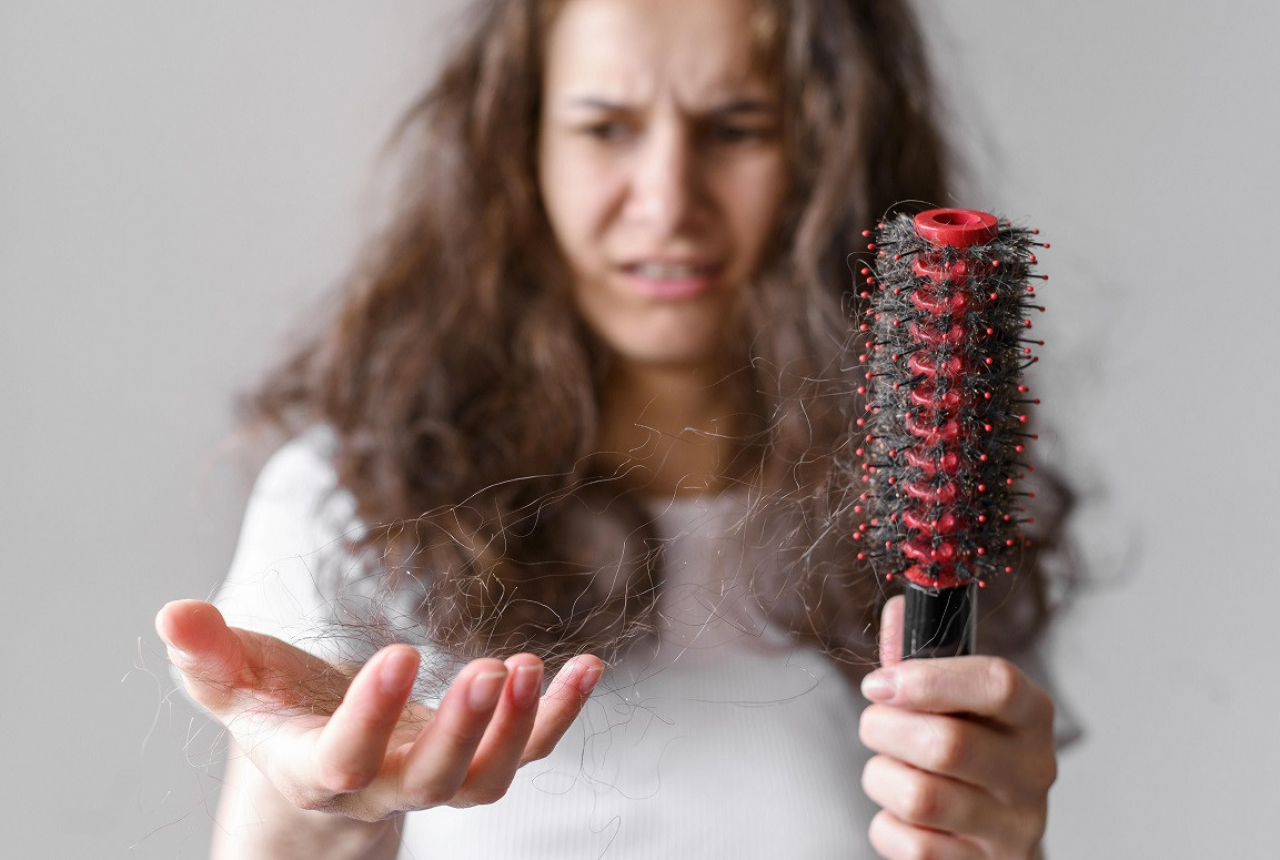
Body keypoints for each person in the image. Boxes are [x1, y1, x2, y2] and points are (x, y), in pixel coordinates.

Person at [156, 0, 1071, 857]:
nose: (668, 200)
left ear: (829, 150)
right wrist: (317, 802)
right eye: (605, 129)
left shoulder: (934, 508)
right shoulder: (348, 501)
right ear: (524, 148)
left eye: (735, 128)